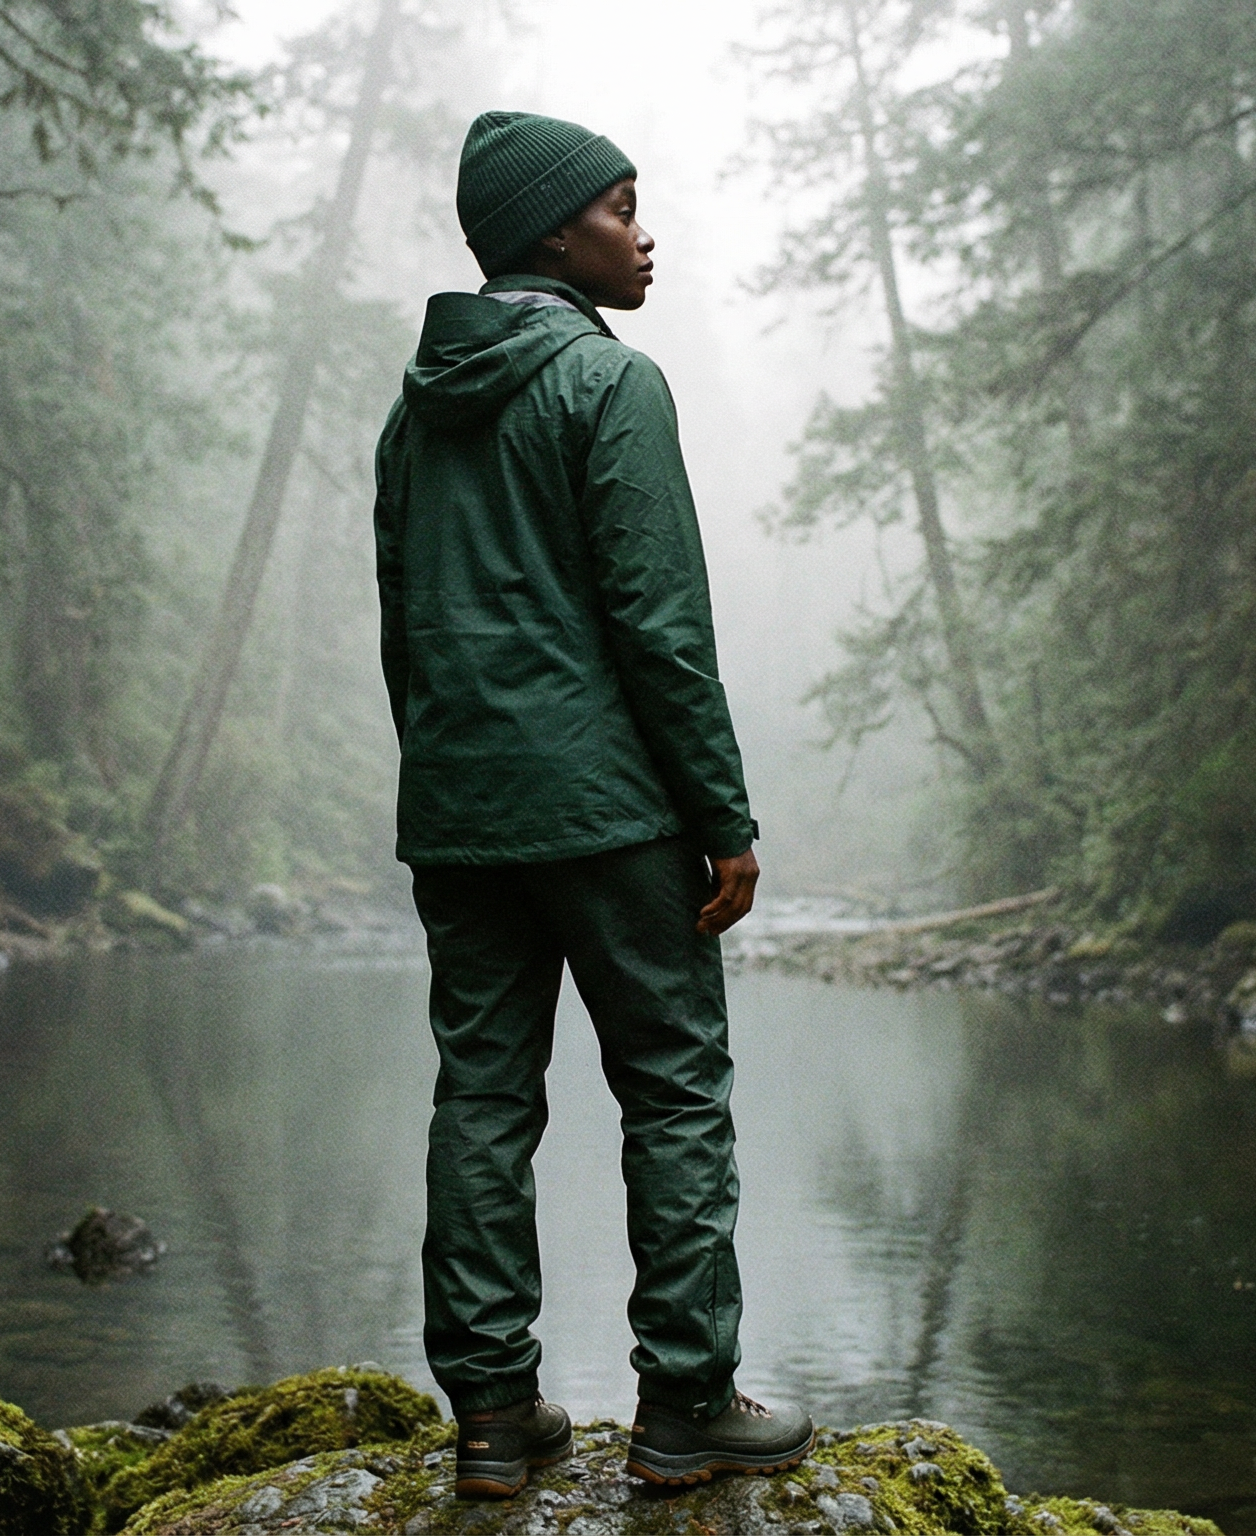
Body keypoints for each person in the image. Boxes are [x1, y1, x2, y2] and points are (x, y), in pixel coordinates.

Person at [371, 109, 815, 1500]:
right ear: (558, 232)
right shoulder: (610, 387)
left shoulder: (413, 410)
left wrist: (454, 775)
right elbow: (659, 627)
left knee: (484, 1098)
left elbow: (405, 628)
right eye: (624, 207)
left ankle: (495, 1418)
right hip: (616, 811)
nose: (645, 231)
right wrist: (724, 821)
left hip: (463, 809)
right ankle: (684, 1408)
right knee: (675, 1089)